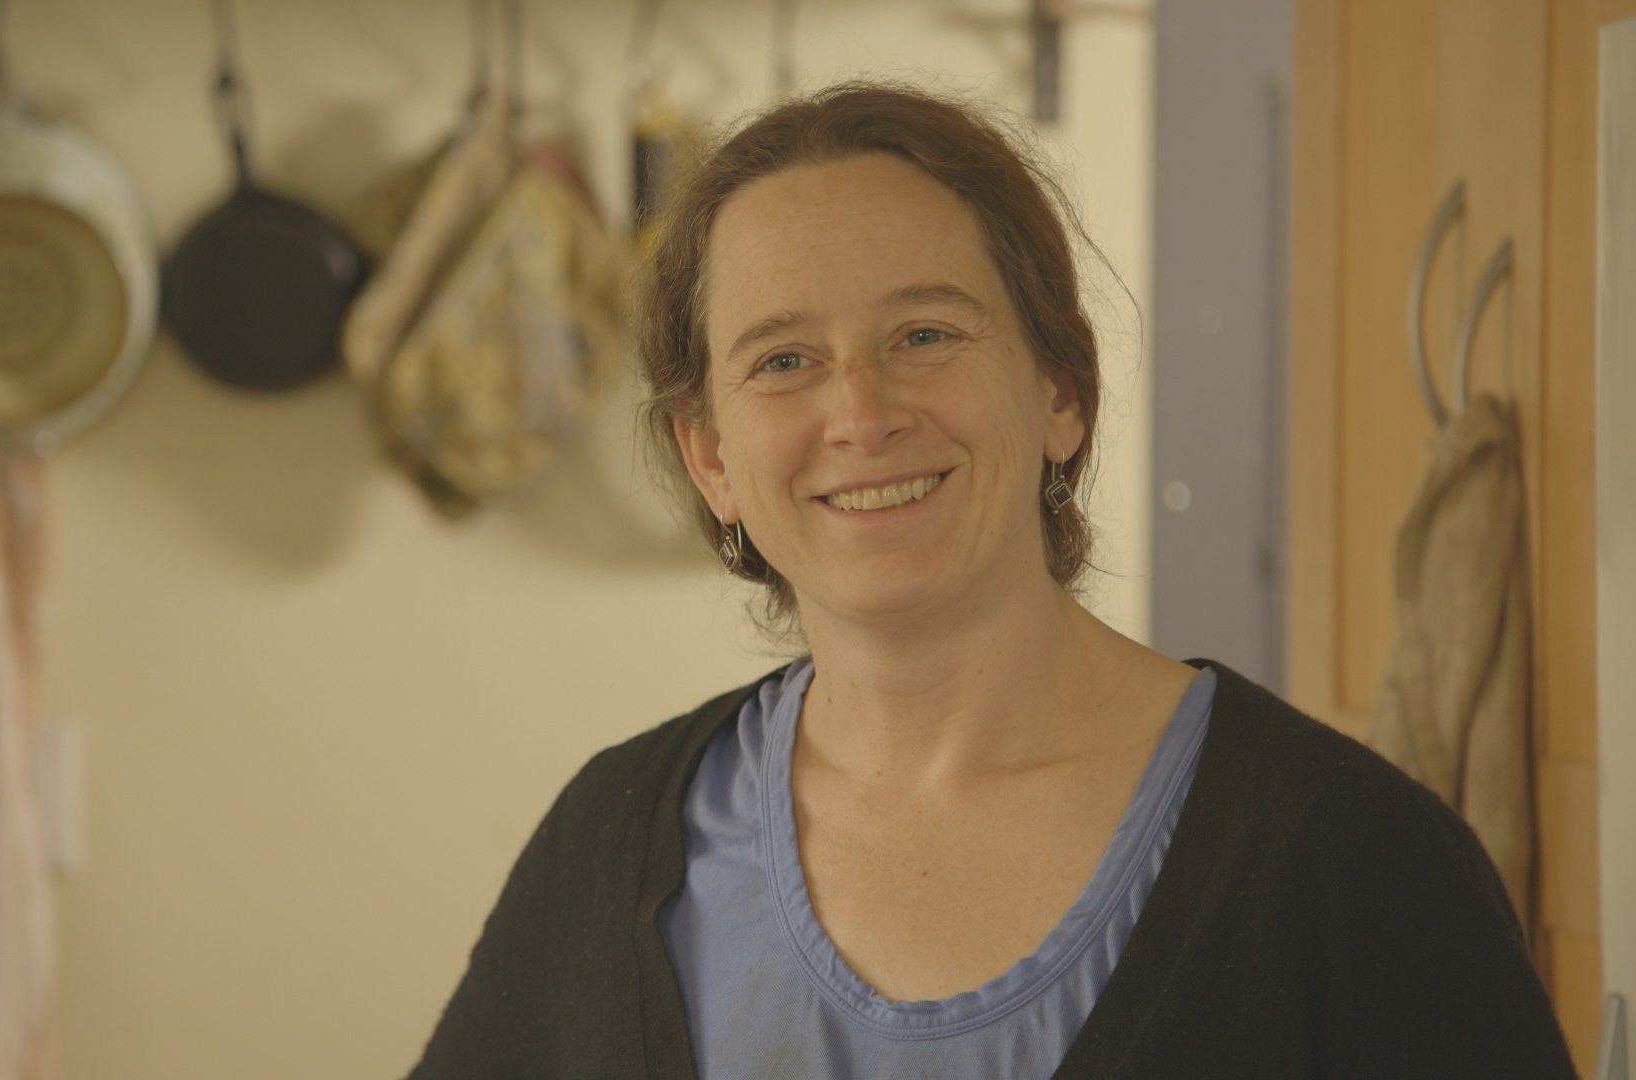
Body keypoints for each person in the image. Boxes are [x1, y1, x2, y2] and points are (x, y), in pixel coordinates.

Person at [406, 81, 1576, 1079]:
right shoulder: (610, 843)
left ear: (1059, 391)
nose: (861, 412)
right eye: (785, 360)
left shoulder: (1351, 858)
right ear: (711, 457)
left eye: (925, 335)